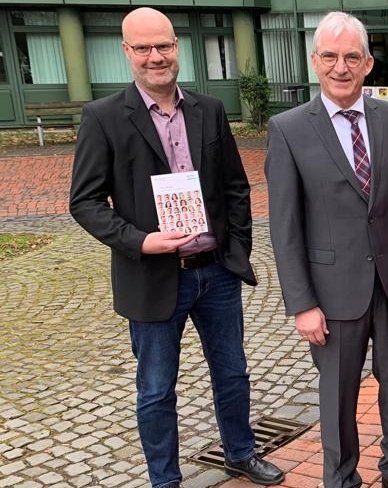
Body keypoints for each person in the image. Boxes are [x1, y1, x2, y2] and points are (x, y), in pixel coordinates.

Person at [68, 7, 284, 488]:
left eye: (163, 45)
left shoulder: (208, 109)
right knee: (156, 388)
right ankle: (165, 479)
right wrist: (141, 241)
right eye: (143, 48)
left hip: (216, 271)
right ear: (126, 51)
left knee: (232, 373)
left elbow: (235, 186)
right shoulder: (104, 118)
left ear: (177, 47)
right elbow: (84, 202)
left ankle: (240, 453)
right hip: (151, 275)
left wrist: (237, 249)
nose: (155, 56)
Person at [264, 11, 388, 488]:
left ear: (368, 64)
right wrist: (302, 304)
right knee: (337, 394)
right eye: (330, 57)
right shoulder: (288, 129)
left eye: (351, 57)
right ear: (314, 61)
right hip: (331, 290)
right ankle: (341, 477)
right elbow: (285, 227)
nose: (340, 67)